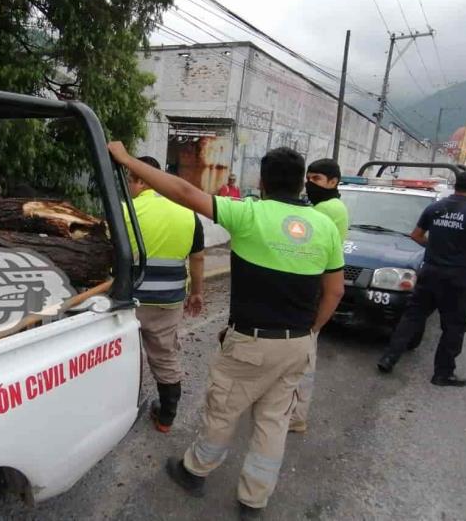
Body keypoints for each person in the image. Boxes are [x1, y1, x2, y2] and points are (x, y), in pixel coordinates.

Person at [109, 142, 344, 517]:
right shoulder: (325, 226)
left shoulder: (249, 213)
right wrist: (311, 330)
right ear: (301, 183)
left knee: (223, 411)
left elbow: (184, 192)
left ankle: (194, 471)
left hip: (251, 342)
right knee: (273, 421)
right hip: (298, 343)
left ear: (262, 182)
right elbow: (334, 291)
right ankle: (254, 500)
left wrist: (125, 160)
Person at [124, 156, 205, 433]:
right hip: (168, 302)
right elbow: (197, 259)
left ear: (142, 179)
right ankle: (166, 418)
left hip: (127, 302)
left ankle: (121, 412)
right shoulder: (187, 213)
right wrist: (196, 293)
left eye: (129, 180)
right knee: (165, 356)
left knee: (124, 357)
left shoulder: (125, 210)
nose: (128, 186)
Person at [377, 170, 466, 386]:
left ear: (456, 185)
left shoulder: (435, 208)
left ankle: (388, 358)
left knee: (412, 317)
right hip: (459, 277)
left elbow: (416, 235)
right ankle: (443, 373)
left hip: (430, 271)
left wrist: (434, 248)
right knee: (454, 325)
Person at [289, 158, 349, 434]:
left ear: (333, 182)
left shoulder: (328, 209)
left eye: (317, 179)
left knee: (305, 356)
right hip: (318, 282)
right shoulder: (328, 205)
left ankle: (296, 416)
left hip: (316, 285)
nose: (309, 184)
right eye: (308, 178)